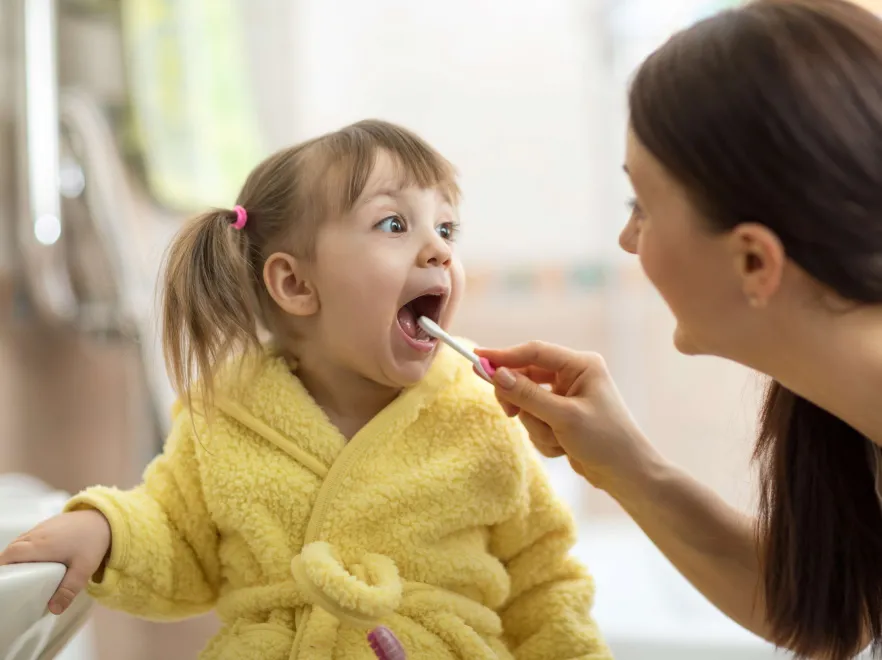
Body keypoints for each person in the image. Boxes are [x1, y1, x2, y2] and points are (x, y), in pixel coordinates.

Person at [0, 120, 612, 659]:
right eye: (395, 223)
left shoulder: (481, 414)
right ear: (295, 284)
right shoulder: (229, 416)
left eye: (447, 228)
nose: (439, 252)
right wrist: (107, 531)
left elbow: (542, 581)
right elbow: (177, 536)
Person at [476, 1, 882, 659]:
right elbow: (835, 611)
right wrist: (624, 463)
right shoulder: (849, 421)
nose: (628, 240)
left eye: (643, 205)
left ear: (754, 259)